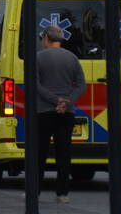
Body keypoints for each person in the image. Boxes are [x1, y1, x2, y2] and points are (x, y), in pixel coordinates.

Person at [36, 24, 86, 203]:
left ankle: (35, 191)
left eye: (42, 38)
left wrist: (54, 101)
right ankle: (62, 192)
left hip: (43, 111)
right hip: (66, 113)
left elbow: (35, 85)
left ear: (47, 39)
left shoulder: (38, 58)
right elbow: (81, 85)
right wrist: (66, 101)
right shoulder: (72, 58)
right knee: (63, 153)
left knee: (39, 152)